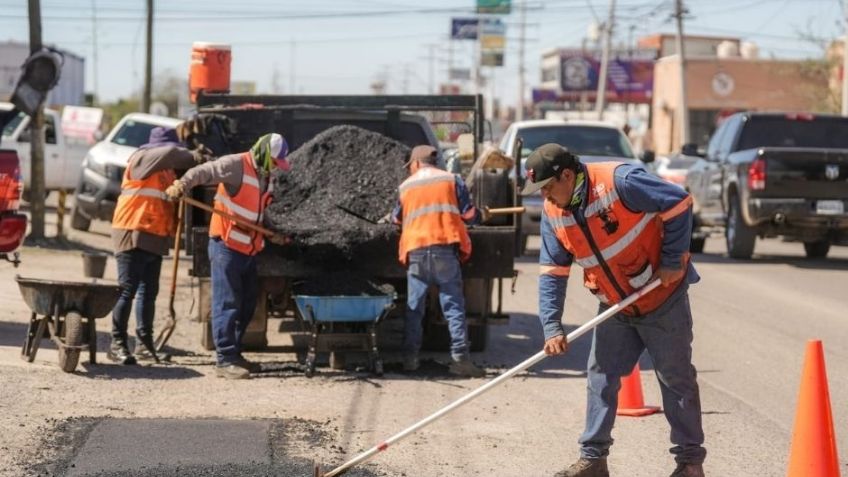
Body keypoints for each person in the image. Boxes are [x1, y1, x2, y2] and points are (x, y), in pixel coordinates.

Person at [521, 144, 705, 477]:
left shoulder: (620, 181)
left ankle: (689, 464)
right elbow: (552, 272)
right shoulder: (553, 212)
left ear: (567, 175)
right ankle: (593, 460)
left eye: (547, 187)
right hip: (616, 305)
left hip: (662, 298)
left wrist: (672, 260)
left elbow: (679, 202)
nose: (544, 196)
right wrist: (551, 326)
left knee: (676, 379)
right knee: (600, 377)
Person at [165, 133, 290, 379]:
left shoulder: (265, 176)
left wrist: (272, 231)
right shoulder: (236, 165)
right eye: (275, 162)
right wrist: (182, 184)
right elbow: (205, 171)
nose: (277, 167)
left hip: (248, 248)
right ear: (265, 154)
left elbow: (258, 211)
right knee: (227, 303)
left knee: (247, 304)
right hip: (227, 246)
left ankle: (235, 353)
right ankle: (225, 360)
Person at [109, 126, 211, 365]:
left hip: (154, 234)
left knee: (148, 293)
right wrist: (197, 155)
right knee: (127, 290)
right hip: (132, 229)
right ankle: (117, 344)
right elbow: (173, 154)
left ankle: (144, 346)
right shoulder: (142, 158)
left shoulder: (165, 171)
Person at [391, 145, 486, 378]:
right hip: (445, 249)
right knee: (453, 307)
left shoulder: (406, 186)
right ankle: (461, 359)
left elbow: (396, 219)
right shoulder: (452, 180)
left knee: (415, 308)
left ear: (416, 163)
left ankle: (410, 359)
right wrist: (482, 214)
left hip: (416, 251)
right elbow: (469, 216)